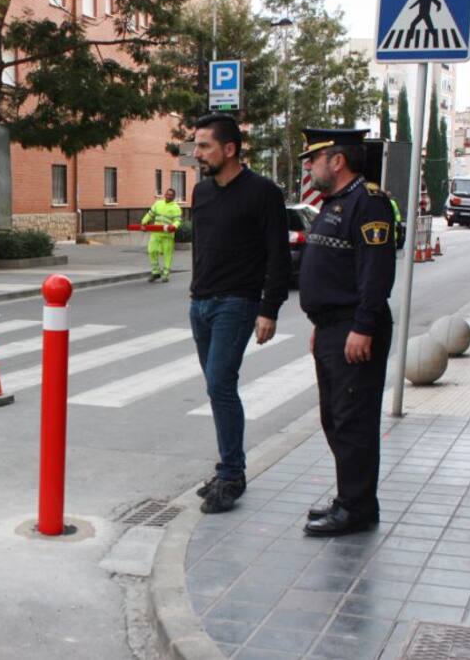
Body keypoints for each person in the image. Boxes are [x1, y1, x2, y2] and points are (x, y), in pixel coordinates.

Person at [188, 113, 290, 514]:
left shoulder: (263, 192)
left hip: (238, 302)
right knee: (217, 387)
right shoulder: (202, 193)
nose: (197, 154)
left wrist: (269, 308)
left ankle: (232, 474)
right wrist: (194, 295)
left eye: (204, 146)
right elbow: (202, 248)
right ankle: (228, 466)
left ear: (229, 149)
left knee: (220, 384)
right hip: (201, 303)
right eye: (196, 145)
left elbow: (277, 255)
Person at [297, 128, 396, 537]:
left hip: (355, 327)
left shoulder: (368, 203)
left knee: (353, 420)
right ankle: (350, 499)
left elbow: (375, 274)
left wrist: (362, 326)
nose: (308, 166)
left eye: (313, 159)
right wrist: (322, 327)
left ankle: (355, 508)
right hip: (333, 328)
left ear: (336, 161)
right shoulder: (335, 203)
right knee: (336, 418)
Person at [143, 188, 183, 283]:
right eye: (167, 194)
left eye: (171, 195)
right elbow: (150, 214)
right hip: (156, 233)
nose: (168, 196)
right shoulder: (158, 204)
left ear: (174, 197)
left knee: (167, 254)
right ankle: (156, 271)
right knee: (151, 250)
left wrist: (173, 226)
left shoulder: (176, 207)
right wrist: (143, 223)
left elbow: (178, 220)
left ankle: (165, 274)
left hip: (167, 235)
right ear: (165, 195)